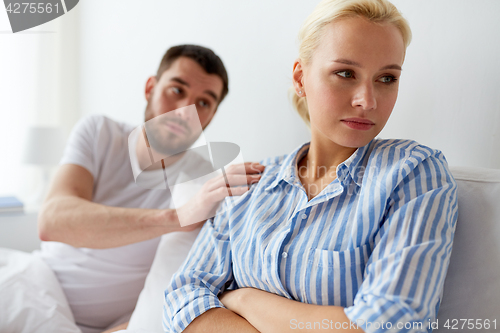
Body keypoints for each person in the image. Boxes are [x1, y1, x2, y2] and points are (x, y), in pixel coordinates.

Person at [163, 1, 458, 333]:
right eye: (345, 73)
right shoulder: (251, 184)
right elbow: (183, 296)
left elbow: (390, 323)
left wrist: (244, 299)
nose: (367, 100)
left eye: (387, 78)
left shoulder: (412, 173)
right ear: (301, 78)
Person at [35, 44, 265, 333]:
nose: (185, 112)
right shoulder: (100, 133)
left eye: (203, 103)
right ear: (150, 89)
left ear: (212, 115)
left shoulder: (205, 181)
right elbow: (52, 222)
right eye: (177, 91)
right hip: (39, 292)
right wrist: (177, 217)